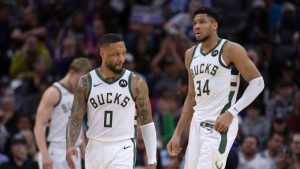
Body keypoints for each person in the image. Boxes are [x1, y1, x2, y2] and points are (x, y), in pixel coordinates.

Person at [167, 7, 265, 169]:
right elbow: (191, 97)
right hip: (196, 125)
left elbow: (258, 83)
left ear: (214, 26)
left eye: (202, 22)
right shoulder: (190, 54)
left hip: (219, 126)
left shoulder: (231, 49)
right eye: (194, 23)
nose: (196, 26)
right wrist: (177, 133)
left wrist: (232, 113)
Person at [66, 33, 157, 169]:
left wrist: (152, 160)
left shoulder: (136, 83)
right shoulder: (85, 82)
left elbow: (147, 122)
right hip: (95, 147)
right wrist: (70, 145)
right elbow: (75, 117)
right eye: (115, 54)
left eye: (123, 53)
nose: (121, 59)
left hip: (123, 147)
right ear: (102, 53)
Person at [34, 57, 93, 169]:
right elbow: (38, 126)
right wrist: (44, 153)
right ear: (71, 73)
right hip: (56, 151)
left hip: (75, 153)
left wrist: (84, 152)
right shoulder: (53, 92)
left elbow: (77, 124)